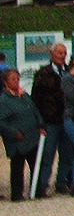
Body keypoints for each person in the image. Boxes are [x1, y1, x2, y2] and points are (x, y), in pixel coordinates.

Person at [31, 44, 70, 196]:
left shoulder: (69, 71)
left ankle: (61, 182)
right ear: (51, 54)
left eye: (64, 53)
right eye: (59, 53)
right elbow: (36, 99)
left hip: (67, 119)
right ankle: (42, 185)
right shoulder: (43, 73)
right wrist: (40, 122)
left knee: (67, 154)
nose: (62, 56)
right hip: (50, 120)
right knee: (47, 156)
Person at [1, 67, 43, 201]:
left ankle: (37, 190)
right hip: (17, 139)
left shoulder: (24, 95)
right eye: (13, 79)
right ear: (5, 82)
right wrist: (14, 134)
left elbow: (35, 110)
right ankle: (17, 193)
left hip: (32, 136)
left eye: (18, 79)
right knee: (17, 168)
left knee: (36, 165)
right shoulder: (3, 100)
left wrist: (40, 124)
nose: (17, 82)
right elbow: (1, 122)